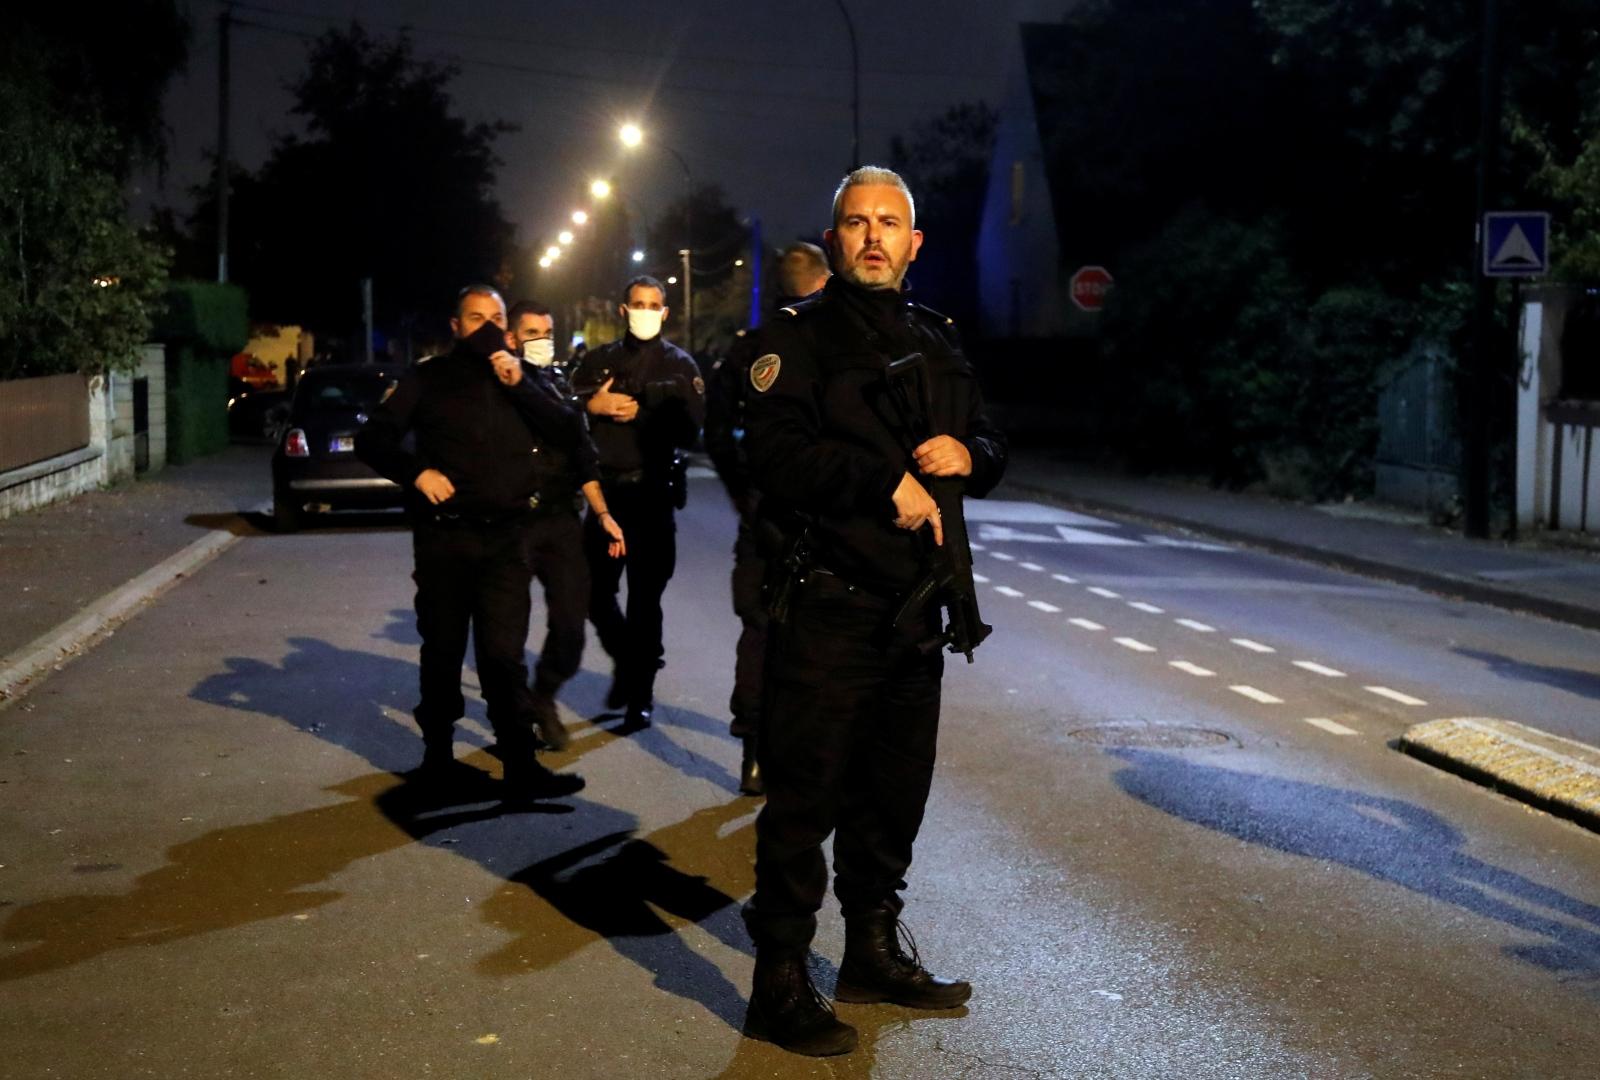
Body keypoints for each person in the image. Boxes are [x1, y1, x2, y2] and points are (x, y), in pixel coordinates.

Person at [738, 167, 1007, 1056]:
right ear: (835, 236)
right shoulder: (795, 340)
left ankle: (871, 950)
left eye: (890, 223)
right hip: (827, 604)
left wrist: (968, 451)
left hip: (917, 610)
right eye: (857, 223)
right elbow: (772, 454)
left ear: (915, 242)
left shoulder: (939, 338)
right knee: (805, 798)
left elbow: (993, 443)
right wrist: (876, 479)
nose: (874, 237)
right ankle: (778, 978)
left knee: (894, 798)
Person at [355, 285, 588, 802]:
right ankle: (438, 758)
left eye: (496, 317)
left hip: (508, 539)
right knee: (442, 650)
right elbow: (374, 439)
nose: (485, 326)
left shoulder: (522, 376)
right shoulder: (429, 377)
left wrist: (520, 384)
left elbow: (571, 431)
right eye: (474, 317)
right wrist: (417, 473)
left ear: (507, 327)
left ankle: (520, 766)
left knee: (504, 657)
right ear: (456, 326)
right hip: (445, 539)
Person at [704, 243, 831, 796]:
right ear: (824, 281)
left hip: (764, 510)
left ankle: (754, 752)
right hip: (823, 514)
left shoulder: (751, 348)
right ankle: (804, 755)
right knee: (819, 634)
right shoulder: (834, 342)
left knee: (758, 629)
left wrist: (741, 494)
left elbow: (716, 431)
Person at [570, 276, 705, 731]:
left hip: (652, 497)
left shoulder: (681, 365)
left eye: (653, 304)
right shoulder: (598, 361)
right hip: (606, 498)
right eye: (637, 304)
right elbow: (563, 408)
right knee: (595, 593)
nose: (645, 310)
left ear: (665, 313)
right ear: (622, 310)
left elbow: (693, 430)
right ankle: (631, 662)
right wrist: (595, 407)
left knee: (646, 600)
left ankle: (639, 696)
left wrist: (644, 412)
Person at [502, 299, 625, 751]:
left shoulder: (559, 387)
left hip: (558, 519)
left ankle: (544, 694)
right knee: (506, 632)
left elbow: (583, 457)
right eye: (532, 333)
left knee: (572, 627)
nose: (542, 341)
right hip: (513, 521)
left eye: (546, 332)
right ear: (512, 339)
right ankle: (516, 722)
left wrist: (605, 514)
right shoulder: (499, 387)